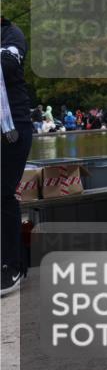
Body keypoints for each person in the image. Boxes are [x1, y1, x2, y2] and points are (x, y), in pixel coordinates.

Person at [2, 17, 33, 296]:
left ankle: (11, 266)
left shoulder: (12, 34)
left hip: (14, 128)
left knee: (2, 193)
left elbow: (9, 64)